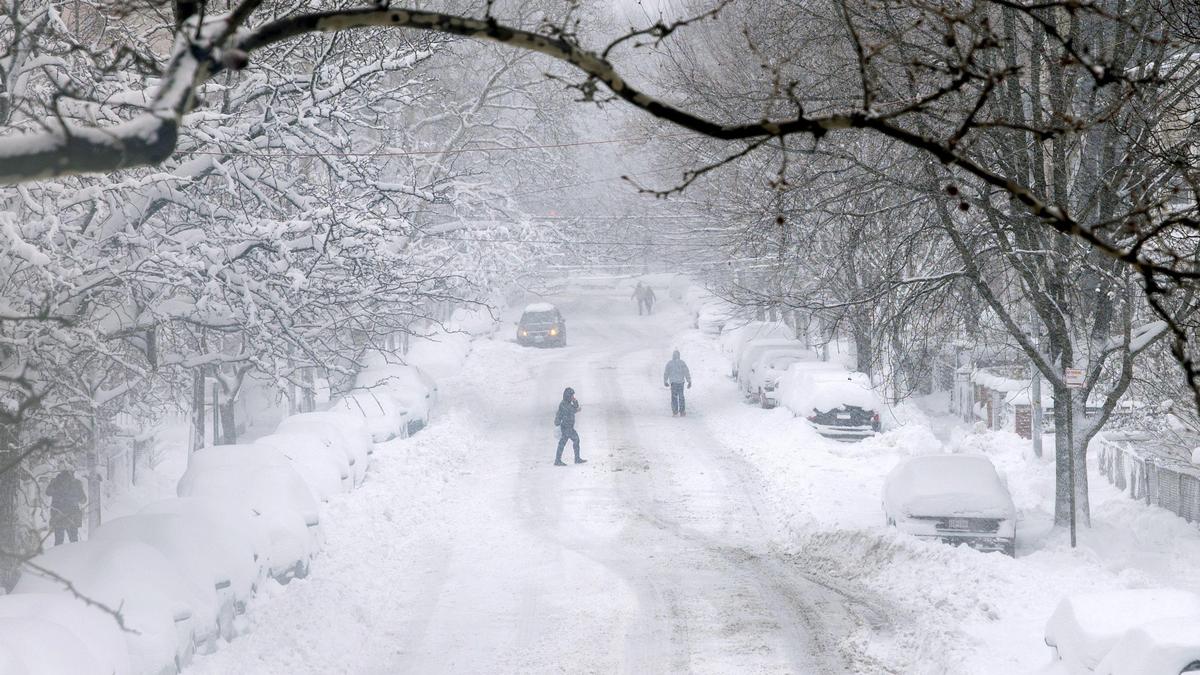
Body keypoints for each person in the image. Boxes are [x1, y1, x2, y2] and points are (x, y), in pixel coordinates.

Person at [46, 469, 86, 546]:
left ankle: (57, 557)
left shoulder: (55, 482)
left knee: (59, 541)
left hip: (58, 515)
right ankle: (76, 556)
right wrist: (75, 498)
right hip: (71, 515)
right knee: (74, 540)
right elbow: (83, 500)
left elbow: (48, 492)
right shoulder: (76, 483)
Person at [553, 387, 587, 466]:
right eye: (572, 396)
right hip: (566, 427)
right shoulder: (563, 404)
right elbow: (570, 411)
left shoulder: (567, 402)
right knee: (573, 440)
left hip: (569, 427)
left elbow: (574, 407)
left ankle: (560, 460)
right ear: (568, 396)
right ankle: (560, 460)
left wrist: (575, 401)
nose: (573, 397)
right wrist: (577, 410)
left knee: (565, 442)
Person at [663, 349, 692, 416]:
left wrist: (665, 381)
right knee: (681, 397)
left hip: (674, 383)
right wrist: (689, 381)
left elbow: (666, 373)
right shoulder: (682, 363)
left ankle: (675, 411)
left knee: (674, 397)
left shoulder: (670, 363)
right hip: (680, 383)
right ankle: (681, 411)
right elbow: (686, 372)